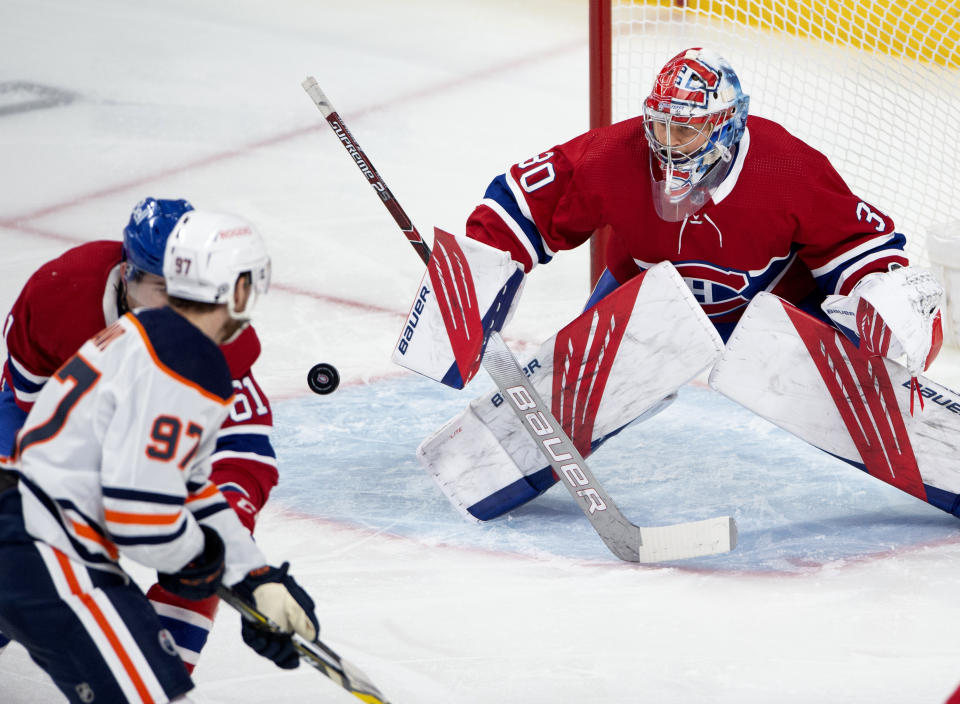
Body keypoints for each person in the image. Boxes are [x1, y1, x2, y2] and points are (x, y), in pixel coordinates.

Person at [399, 46, 946, 522]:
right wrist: (473, 280)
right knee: (555, 401)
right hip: (649, 294)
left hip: (775, 301)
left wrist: (883, 302)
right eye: (659, 123)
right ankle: (489, 462)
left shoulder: (786, 168)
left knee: (874, 377)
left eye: (684, 127)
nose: (666, 141)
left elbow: (858, 244)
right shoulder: (615, 155)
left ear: (727, 123)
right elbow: (526, 200)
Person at [0, 209, 316, 703]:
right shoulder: (183, 362)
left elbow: (190, 481)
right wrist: (201, 561)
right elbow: (136, 514)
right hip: (43, 546)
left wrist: (254, 576)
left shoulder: (144, 340)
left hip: (32, 528)